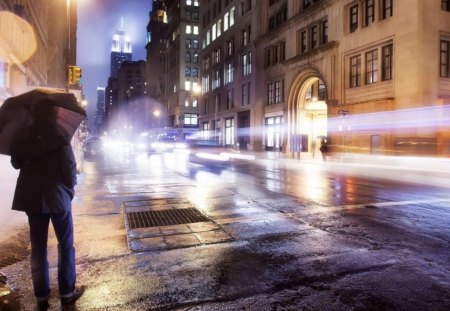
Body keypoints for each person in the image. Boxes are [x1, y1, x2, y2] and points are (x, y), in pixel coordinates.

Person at [10, 102, 84, 309]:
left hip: (32, 197)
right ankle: (67, 292)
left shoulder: (23, 135)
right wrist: (70, 190)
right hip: (58, 196)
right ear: (54, 113)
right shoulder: (58, 135)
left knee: (38, 248)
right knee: (66, 244)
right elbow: (69, 167)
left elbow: (16, 163)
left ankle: (41, 297)